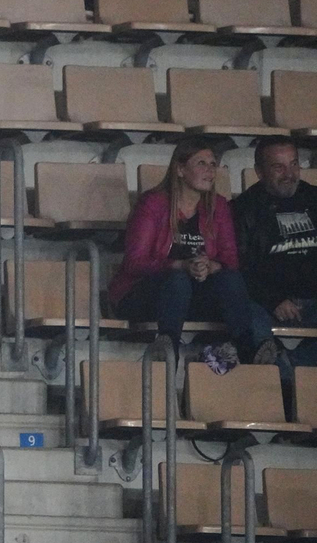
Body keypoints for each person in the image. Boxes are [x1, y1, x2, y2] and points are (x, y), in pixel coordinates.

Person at [110, 138, 275, 372]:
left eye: (213, 164)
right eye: (201, 163)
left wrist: (210, 266)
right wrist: (179, 265)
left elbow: (230, 260)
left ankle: (246, 348)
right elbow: (134, 263)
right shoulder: (153, 203)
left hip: (195, 294)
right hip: (145, 293)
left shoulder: (218, 206)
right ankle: (168, 347)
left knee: (230, 279)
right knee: (177, 280)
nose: (210, 170)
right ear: (180, 169)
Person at [232, 136, 317, 366]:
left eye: (294, 164)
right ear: (259, 172)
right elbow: (238, 267)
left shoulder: (314, 198)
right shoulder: (243, 208)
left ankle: (290, 366)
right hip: (264, 303)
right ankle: (275, 368)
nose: (289, 174)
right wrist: (273, 300)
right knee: (242, 309)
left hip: (312, 299)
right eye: (279, 167)